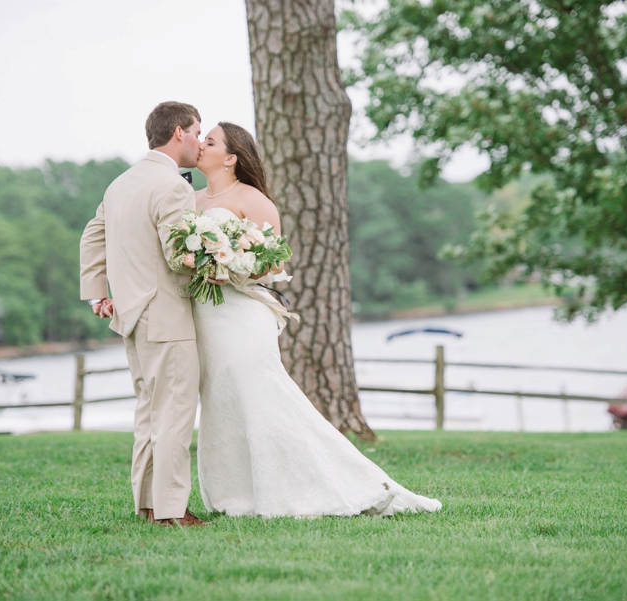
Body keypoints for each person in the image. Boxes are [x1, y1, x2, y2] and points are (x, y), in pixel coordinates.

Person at [192, 122, 442, 517]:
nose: (200, 145)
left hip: (243, 313)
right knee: (222, 401)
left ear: (231, 157)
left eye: (209, 141)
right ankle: (237, 495)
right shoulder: (192, 200)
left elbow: (274, 263)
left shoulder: (253, 199)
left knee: (263, 397)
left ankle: (330, 483)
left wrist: (227, 267)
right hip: (206, 315)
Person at [79, 101, 208, 527]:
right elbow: (178, 256)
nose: (199, 141)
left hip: (132, 316)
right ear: (178, 133)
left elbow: (91, 236)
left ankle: (149, 504)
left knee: (150, 413)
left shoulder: (121, 183)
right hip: (167, 314)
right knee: (173, 415)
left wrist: (99, 293)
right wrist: (219, 266)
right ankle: (171, 511)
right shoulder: (173, 187)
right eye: (196, 131)